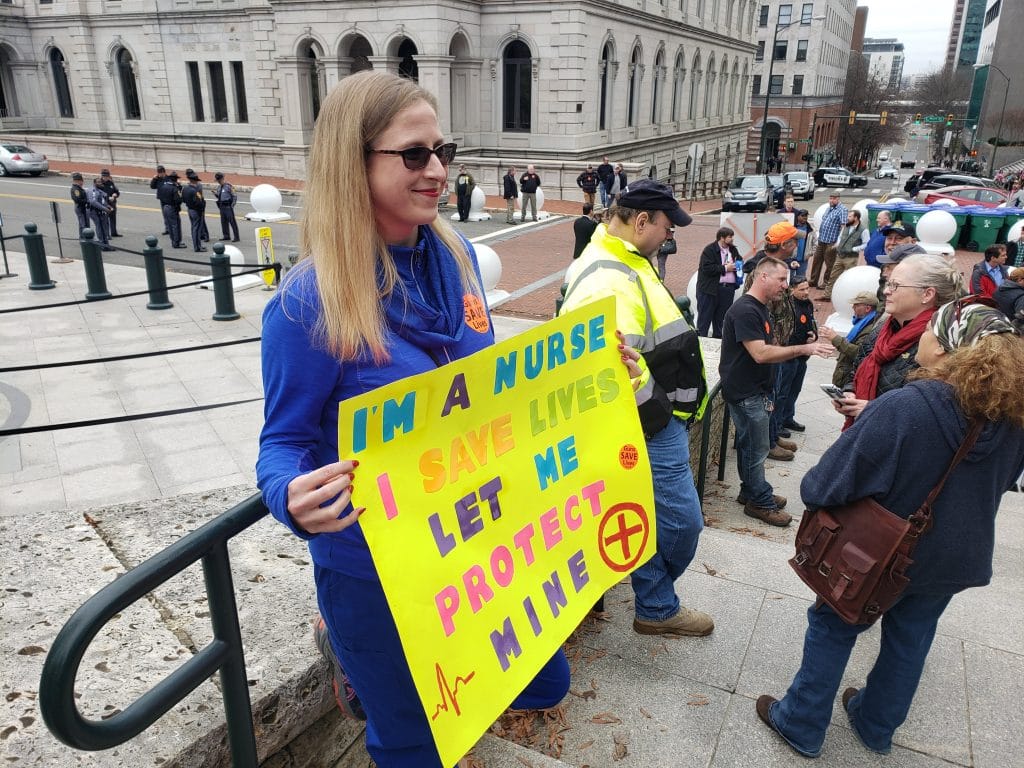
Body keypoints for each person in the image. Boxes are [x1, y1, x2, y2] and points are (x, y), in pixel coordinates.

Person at [256, 71, 570, 768]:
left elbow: (476, 386)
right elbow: (281, 442)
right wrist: (288, 495)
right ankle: (354, 655)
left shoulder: (453, 257)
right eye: (413, 154)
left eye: (442, 151)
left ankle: (361, 665)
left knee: (545, 682)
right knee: (415, 749)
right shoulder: (308, 305)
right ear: (353, 162)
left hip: (474, 534)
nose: (438, 170)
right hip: (373, 565)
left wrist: (596, 373)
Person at [757, 299, 1024, 759]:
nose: (920, 337)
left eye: (930, 332)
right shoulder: (1013, 418)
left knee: (833, 625)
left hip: (881, 554)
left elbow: (828, 483)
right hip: (957, 557)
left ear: (945, 348)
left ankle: (801, 722)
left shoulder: (908, 405)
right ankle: (875, 724)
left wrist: (817, 488)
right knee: (911, 638)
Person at [560, 178, 716, 638]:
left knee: (646, 514)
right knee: (684, 523)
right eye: (667, 226)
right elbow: (612, 374)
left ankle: (655, 601)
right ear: (642, 220)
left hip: (650, 417)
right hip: (647, 423)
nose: (671, 236)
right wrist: (660, 417)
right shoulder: (610, 276)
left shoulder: (626, 257)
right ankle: (656, 600)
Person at [719, 256, 833, 526]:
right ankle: (759, 500)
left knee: (752, 448)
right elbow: (759, 353)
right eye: (781, 279)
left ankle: (751, 492)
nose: (786, 285)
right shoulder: (746, 310)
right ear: (763, 277)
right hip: (747, 394)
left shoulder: (761, 308)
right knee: (755, 450)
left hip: (755, 392)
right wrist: (804, 349)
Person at [836, 253, 965, 426]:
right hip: (865, 432)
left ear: (927, 294)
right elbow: (858, 367)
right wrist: (850, 392)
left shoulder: (940, 343)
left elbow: (932, 412)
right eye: (889, 283)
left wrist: (874, 411)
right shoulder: (884, 327)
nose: (886, 291)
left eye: (895, 285)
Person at [771, 276, 817, 442]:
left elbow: (812, 324)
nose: (806, 292)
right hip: (788, 355)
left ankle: (788, 417)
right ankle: (776, 423)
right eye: (802, 289)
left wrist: (814, 335)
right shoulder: (785, 306)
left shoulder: (808, 304)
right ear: (792, 290)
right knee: (782, 392)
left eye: (807, 288)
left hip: (802, 356)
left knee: (795, 389)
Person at [819, 291, 884, 388]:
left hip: (849, 377)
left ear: (867, 308)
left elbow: (859, 351)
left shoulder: (869, 328)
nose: (853, 307)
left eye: (857, 305)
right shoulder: (863, 322)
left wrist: (835, 338)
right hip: (846, 374)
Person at [695, 226, 741, 338]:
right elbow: (707, 268)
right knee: (704, 319)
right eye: (730, 237)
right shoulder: (709, 250)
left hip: (727, 290)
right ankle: (701, 342)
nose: (732, 239)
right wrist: (725, 268)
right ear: (722, 237)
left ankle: (719, 342)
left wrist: (738, 266)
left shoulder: (733, 250)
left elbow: (740, 260)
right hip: (710, 290)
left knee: (721, 321)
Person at [822, 209, 865, 301]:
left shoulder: (863, 230)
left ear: (856, 218)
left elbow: (866, 243)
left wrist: (854, 249)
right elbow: (840, 237)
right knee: (833, 276)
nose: (847, 218)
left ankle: (851, 296)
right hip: (840, 256)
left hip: (851, 258)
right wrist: (837, 244)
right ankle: (827, 295)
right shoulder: (846, 226)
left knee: (850, 278)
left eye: (850, 216)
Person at [808, 193, 847, 290]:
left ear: (838, 199)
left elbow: (843, 226)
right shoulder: (829, 208)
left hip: (831, 242)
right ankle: (813, 281)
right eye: (830, 198)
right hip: (822, 240)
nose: (831, 200)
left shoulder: (843, 210)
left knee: (830, 263)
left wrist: (838, 241)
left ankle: (826, 283)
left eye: (834, 199)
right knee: (816, 260)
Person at [157, 172, 187, 249]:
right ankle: (177, 242)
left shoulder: (164, 186)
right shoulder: (174, 188)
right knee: (175, 225)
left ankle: (173, 241)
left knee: (170, 225)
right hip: (172, 207)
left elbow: (161, 196)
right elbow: (178, 200)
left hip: (165, 206)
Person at [181, 172, 208, 252]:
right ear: (195, 181)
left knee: (194, 228)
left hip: (190, 209)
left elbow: (183, 199)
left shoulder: (185, 188)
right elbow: (199, 202)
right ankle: (197, 247)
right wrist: (202, 207)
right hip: (196, 211)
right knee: (197, 229)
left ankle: (197, 245)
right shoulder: (195, 191)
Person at [85, 177, 113, 250]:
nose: (100, 183)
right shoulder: (93, 191)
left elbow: (102, 201)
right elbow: (93, 202)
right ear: (94, 183)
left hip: (99, 211)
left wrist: (108, 206)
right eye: (98, 182)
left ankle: (105, 244)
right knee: (100, 227)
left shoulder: (99, 191)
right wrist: (105, 209)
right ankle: (102, 245)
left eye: (101, 182)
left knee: (103, 227)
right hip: (94, 211)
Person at [214, 172, 240, 242]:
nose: (218, 182)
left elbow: (234, 195)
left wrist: (232, 205)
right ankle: (226, 236)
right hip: (221, 207)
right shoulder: (219, 187)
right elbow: (219, 196)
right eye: (217, 180)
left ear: (222, 178)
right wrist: (215, 194)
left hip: (228, 206)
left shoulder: (229, 186)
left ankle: (236, 237)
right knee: (223, 222)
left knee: (232, 222)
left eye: (219, 180)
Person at [98, 169, 121, 237]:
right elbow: (99, 194)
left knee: (113, 218)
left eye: (106, 176)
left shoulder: (111, 183)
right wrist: (108, 198)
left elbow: (116, 191)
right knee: (105, 220)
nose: (105, 178)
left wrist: (115, 194)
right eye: (104, 176)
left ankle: (114, 232)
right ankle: (106, 234)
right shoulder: (99, 184)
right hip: (104, 204)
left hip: (112, 203)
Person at [792, 209, 812, 277]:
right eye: (803, 215)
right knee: (790, 278)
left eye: (806, 215)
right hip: (792, 258)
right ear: (797, 217)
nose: (805, 217)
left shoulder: (810, 229)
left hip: (803, 260)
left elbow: (815, 243)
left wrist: (809, 253)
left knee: (801, 278)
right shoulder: (792, 228)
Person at [150, 165, 169, 234]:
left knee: (169, 215)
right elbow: (152, 186)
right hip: (162, 199)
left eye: (160, 172)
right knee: (165, 215)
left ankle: (171, 228)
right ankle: (167, 229)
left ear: (164, 172)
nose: (159, 174)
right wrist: (154, 179)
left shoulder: (168, 179)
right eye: (158, 172)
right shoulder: (157, 179)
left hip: (169, 200)